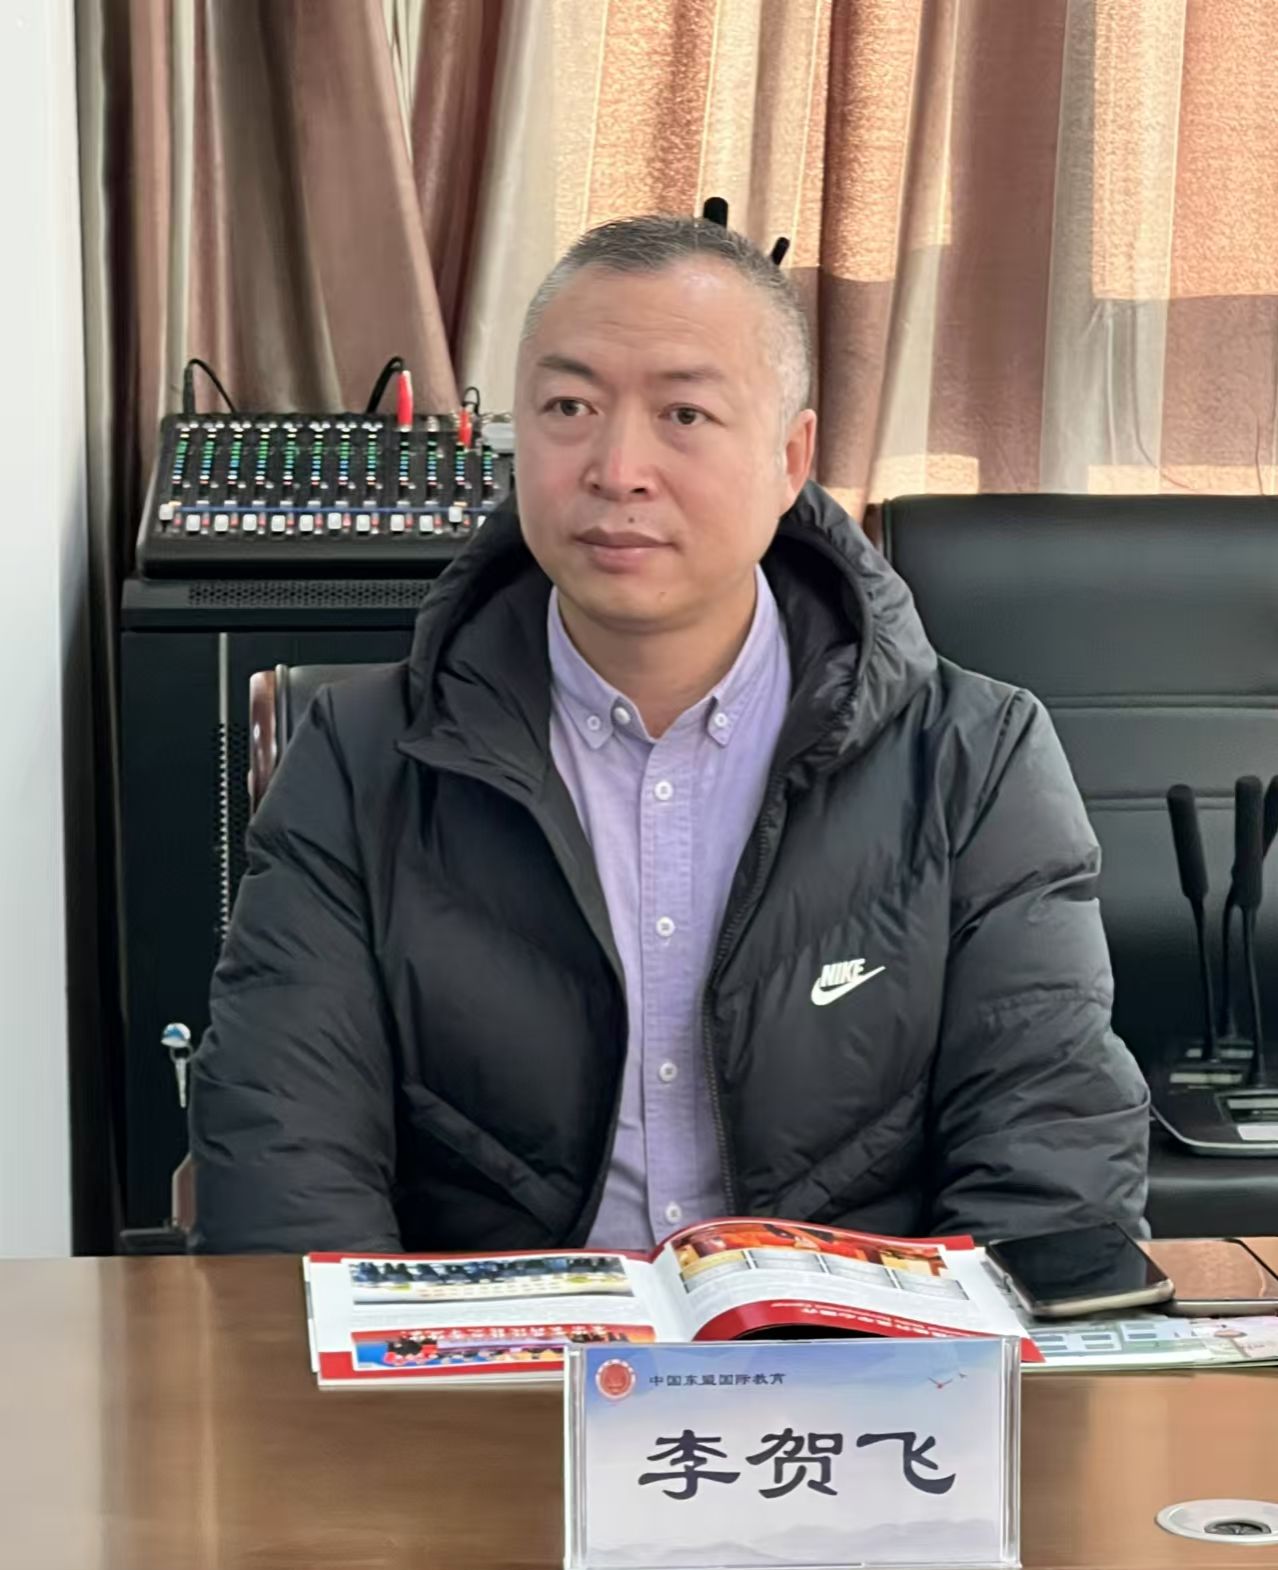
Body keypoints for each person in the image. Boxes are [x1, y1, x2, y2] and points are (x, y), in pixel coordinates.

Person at [189, 213, 1149, 1255]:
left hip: (857, 1353)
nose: (618, 468)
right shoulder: (358, 756)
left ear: (791, 459)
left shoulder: (975, 756)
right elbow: (283, 1159)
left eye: (684, 413)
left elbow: (1049, 1160)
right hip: (487, 1350)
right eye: (569, 407)